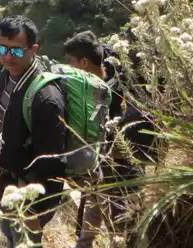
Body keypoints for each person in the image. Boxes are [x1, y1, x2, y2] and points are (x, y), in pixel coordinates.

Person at [63, 31, 144, 248]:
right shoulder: (105, 84)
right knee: (89, 226)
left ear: (83, 62)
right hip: (101, 170)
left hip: (118, 169)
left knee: (120, 230)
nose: (69, 67)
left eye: (72, 62)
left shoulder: (105, 92)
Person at [0, 15, 67, 248]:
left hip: (28, 199)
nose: (6, 56)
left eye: (15, 51)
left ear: (33, 49)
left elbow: (53, 163)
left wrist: (36, 213)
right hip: (5, 185)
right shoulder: (4, 77)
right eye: (2, 48)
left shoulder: (46, 99)